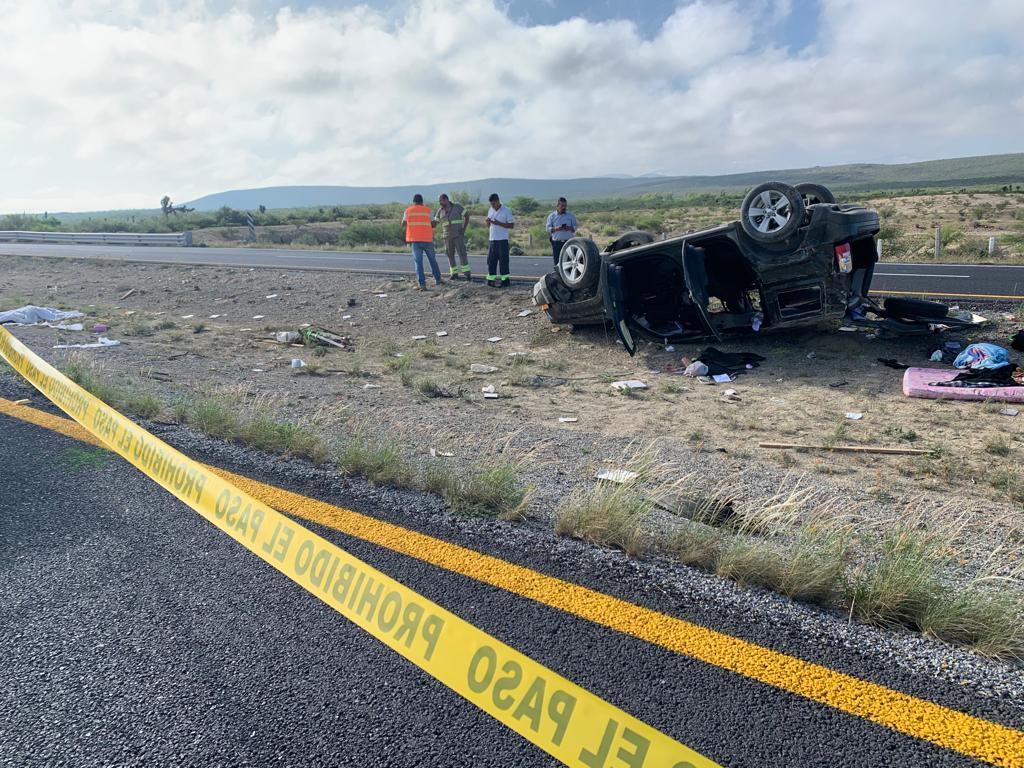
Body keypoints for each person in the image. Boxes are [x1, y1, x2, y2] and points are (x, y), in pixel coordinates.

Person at [402, 193, 442, 290]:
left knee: (418, 263)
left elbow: (403, 224)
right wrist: (435, 222)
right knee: (432, 260)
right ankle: (438, 279)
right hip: (427, 239)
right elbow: (433, 225)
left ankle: (422, 284)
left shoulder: (408, 211)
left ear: (413, 202)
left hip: (415, 240)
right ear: (422, 201)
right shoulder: (428, 210)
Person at [433, 193, 471, 281]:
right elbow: (435, 223)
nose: (440, 203)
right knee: (450, 255)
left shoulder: (457, 207)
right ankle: (454, 274)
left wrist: (463, 229)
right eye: (439, 201)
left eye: (441, 201)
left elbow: (467, 215)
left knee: (462, 254)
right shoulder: (440, 211)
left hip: (458, 235)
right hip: (447, 237)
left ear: (446, 199)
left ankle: (467, 274)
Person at [484, 193, 514, 288]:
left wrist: (498, 223)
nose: (492, 206)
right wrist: (488, 223)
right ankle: (491, 280)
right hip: (492, 239)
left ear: (498, 201)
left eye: (494, 204)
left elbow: (511, 225)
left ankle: (505, 281)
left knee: (503, 261)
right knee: (491, 261)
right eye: (491, 204)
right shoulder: (490, 210)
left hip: (502, 240)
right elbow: (489, 226)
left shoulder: (506, 210)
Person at [545, 197, 577, 265]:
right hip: (557, 243)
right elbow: (548, 229)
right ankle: (557, 275)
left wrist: (569, 228)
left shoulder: (571, 216)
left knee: (569, 261)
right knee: (557, 261)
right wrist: (556, 229)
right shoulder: (552, 216)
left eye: (565, 206)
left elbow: (575, 227)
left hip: (568, 242)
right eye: (562, 206)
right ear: (557, 206)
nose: (564, 207)